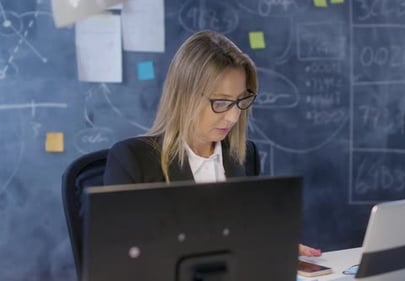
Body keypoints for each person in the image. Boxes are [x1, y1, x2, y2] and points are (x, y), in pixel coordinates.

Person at [104, 29, 321, 257]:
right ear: (184, 96)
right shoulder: (132, 160)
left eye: (240, 101)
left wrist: (272, 249)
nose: (233, 117)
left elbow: (247, 238)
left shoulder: (245, 156)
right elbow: (118, 261)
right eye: (221, 102)